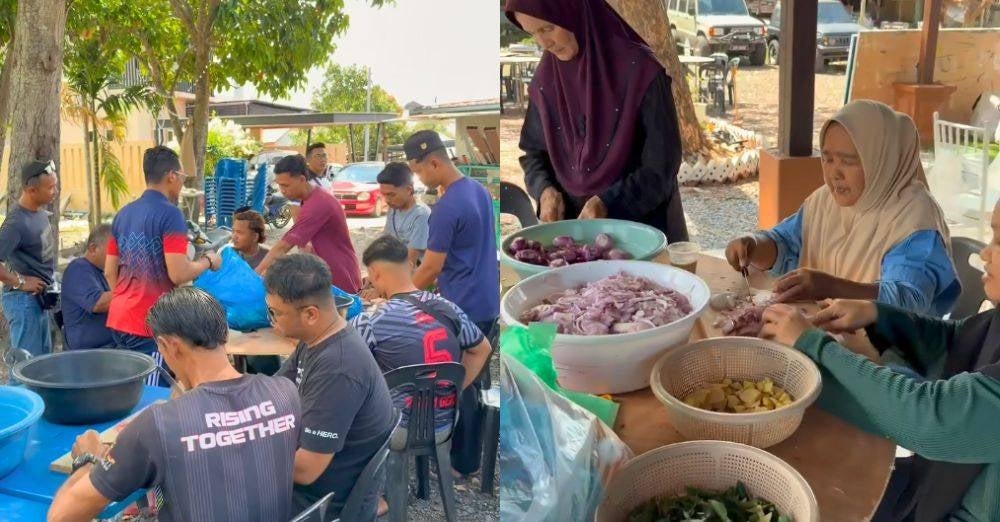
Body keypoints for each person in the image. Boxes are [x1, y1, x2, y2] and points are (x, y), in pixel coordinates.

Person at [759, 199, 1000, 522]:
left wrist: (817, 347)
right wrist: (879, 315)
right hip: (936, 481)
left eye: (998, 241)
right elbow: (958, 341)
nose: (985, 252)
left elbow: (929, 418)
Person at [47, 288, 302, 522]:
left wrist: (88, 460)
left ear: (170, 346)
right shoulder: (284, 392)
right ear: (224, 333)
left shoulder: (158, 425)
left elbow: (61, 516)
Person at [725, 101, 959, 317]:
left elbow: (908, 301)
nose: (833, 173)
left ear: (881, 161)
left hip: (885, 354)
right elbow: (785, 242)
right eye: (827, 159)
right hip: (825, 334)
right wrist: (753, 245)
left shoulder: (913, 219)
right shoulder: (824, 202)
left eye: (847, 161)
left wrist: (831, 287)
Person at [505, 0, 689, 241]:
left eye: (548, 28)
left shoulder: (639, 71)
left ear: (575, 12)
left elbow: (661, 167)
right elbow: (533, 153)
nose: (543, 43)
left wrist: (608, 203)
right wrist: (544, 190)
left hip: (643, 235)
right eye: (533, 33)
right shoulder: (546, 80)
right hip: (576, 237)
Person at [264, 254, 394, 518]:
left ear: (311, 314)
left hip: (321, 501)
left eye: (275, 313)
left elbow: (306, 471)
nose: (271, 321)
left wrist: (238, 455)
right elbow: (273, 389)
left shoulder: (339, 368)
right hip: (315, 479)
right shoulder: (316, 339)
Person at [352, 236, 492, 474]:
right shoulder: (449, 308)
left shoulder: (371, 320)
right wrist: (454, 389)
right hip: (444, 424)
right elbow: (483, 349)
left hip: (395, 429)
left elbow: (348, 369)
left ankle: (372, 495)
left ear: (374, 274)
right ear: (410, 264)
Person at [106, 146, 222, 387]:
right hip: (150, 324)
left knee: (128, 388)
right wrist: (208, 261)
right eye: (181, 177)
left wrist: (126, 300)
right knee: (152, 394)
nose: (181, 183)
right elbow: (178, 274)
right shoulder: (170, 215)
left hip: (119, 319)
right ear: (171, 175)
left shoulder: (122, 214)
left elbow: (109, 271)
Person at [408, 130, 500, 348]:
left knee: (461, 376)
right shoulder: (479, 190)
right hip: (487, 302)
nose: (419, 178)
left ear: (434, 163)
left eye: (418, 172)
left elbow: (431, 269)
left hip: (463, 309)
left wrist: (398, 297)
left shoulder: (446, 208)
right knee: (478, 371)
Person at [255, 155, 362, 294]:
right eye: (280, 185)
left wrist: (254, 277)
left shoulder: (317, 204)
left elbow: (282, 247)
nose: (282, 190)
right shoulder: (311, 199)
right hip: (328, 273)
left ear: (302, 179)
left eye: (285, 185)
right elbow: (305, 245)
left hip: (339, 278)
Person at [0, 160, 58, 356]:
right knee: (26, 369)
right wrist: (20, 282)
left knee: (42, 369)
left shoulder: (39, 212)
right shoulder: (16, 222)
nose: (55, 191)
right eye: (50, 187)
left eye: (55, 185)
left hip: (40, 300)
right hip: (22, 301)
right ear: (31, 190)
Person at [61, 225, 114, 350]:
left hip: (109, 348)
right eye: (114, 251)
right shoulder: (78, 268)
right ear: (93, 248)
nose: (118, 256)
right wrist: (135, 287)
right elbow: (97, 304)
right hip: (89, 355)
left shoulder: (102, 271)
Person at [378, 162, 431, 266]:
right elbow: (386, 244)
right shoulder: (393, 209)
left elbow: (411, 261)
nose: (387, 200)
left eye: (391, 195)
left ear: (408, 190)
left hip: (416, 275)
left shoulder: (421, 215)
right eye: (384, 195)